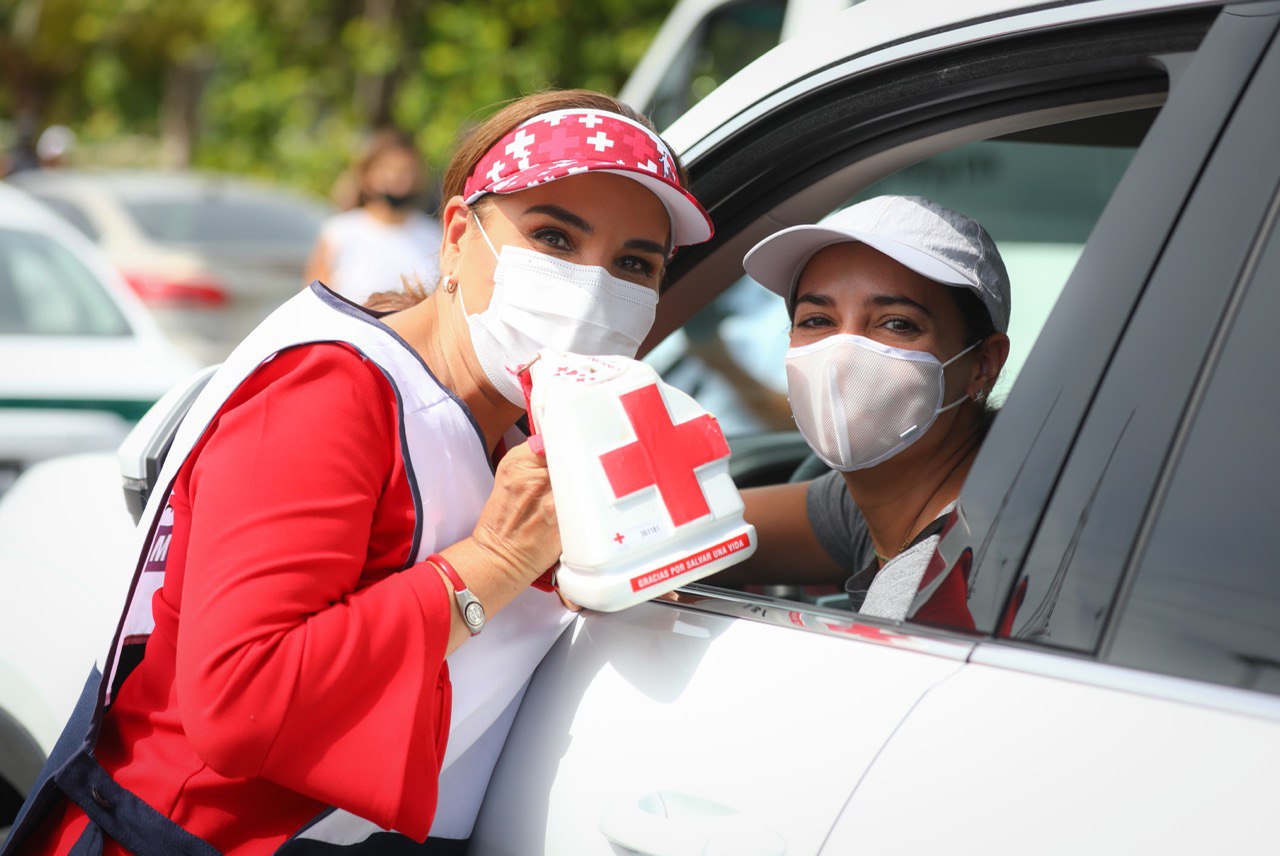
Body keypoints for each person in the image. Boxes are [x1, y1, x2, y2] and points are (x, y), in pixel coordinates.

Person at [6, 89, 712, 856]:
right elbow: (240, 698)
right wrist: (491, 566)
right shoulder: (335, 390)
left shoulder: (540, 427)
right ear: (453, 238)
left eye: (634, 263)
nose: (591, 287)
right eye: (553, 237)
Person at [727, 195, 1010, 627]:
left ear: (982, 364)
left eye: (896, 323)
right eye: (817, 320)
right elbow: (689, 533)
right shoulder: (885, 497)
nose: (842, 355)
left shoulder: (932, 591)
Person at [304, 129, 445, 306]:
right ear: (368, 176)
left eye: (406, 171)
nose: (398, 179)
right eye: (388, 170)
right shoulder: (339, 232)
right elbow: (316, 301)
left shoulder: (434, 236)